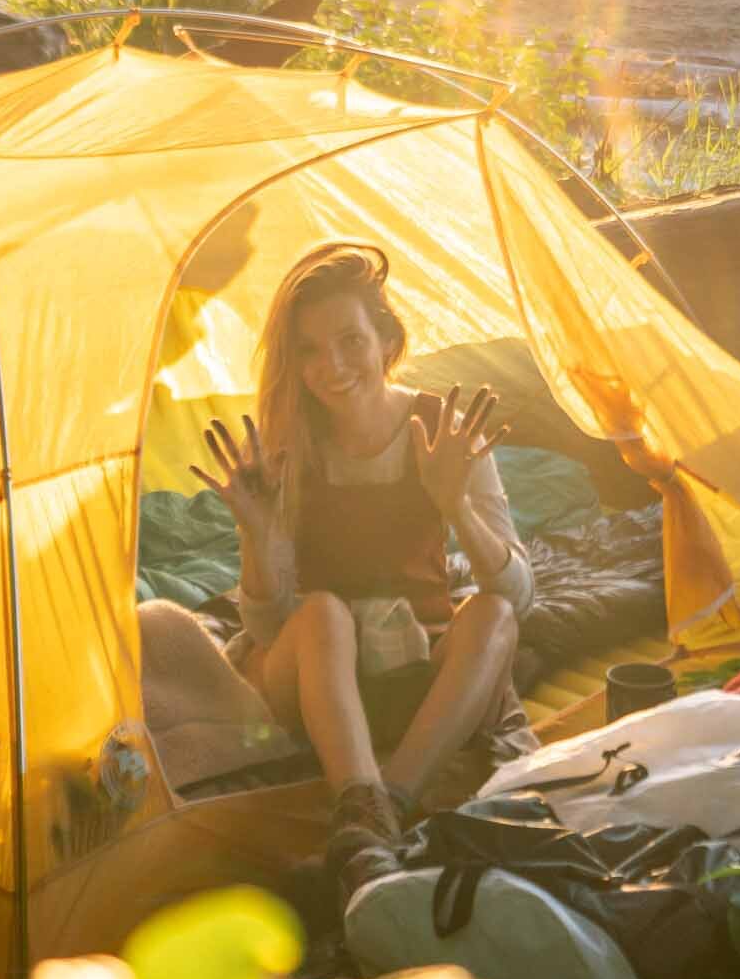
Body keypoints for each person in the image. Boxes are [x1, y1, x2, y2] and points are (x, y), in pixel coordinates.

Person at [190, 240, 535, 895]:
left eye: (350, 341)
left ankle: (385, 806)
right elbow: (267, 627)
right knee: (323, 612)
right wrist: (256, 534)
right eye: (311, 351)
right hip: (317, 680)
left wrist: (455, 503)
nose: (332, 367)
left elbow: (519, 593)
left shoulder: (444, 432)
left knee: (491, 616)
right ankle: (362, 793)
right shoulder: (292, 448)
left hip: (413, 671)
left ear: (386, 340)